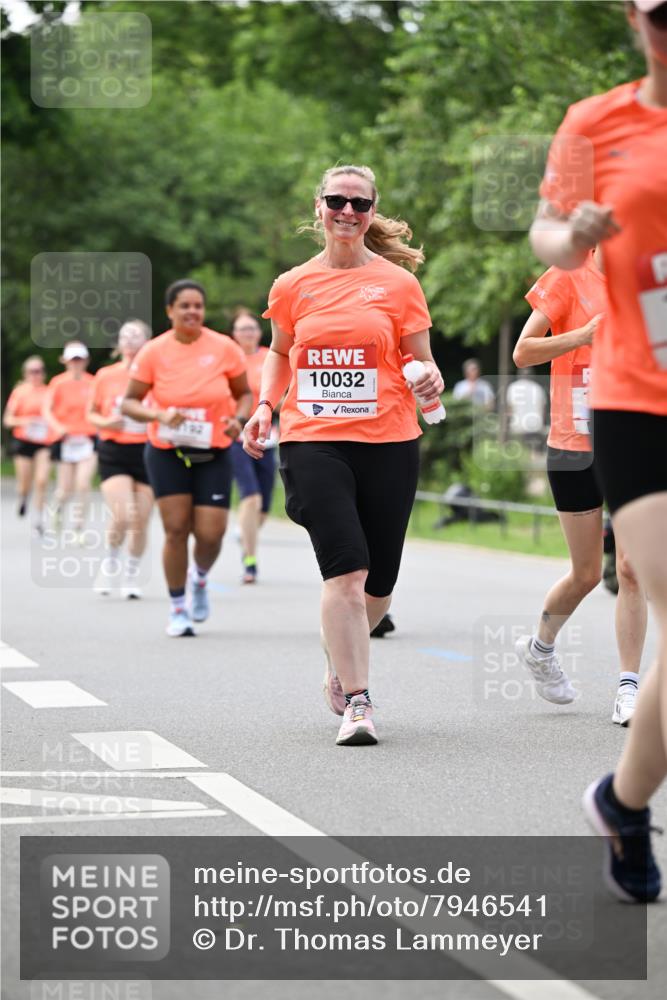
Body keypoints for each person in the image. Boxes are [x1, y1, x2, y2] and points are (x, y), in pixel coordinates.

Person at [530, 0, 667, 902]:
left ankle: (622, 804)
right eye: (662, 16)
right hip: (637, 398)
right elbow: (542, 231)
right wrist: (571, 234)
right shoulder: (597, 121)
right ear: (632, 18)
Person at [243, 163, 444, 747]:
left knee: (378, 586)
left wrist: (428, 380)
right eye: (338, 201)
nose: (348, 212)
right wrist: (263, 405)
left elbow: (422, 362)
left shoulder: (400, 286)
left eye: (360, 204)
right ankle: (359, 701)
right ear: (320, 207)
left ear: (373, 211)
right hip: (313, 438)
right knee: (347, 573)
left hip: (390, 439)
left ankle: (339, 659)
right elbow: (280, 353)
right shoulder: (292, 285)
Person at [514, 246, 648, 725]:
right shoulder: (568, 276)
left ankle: (629, 687)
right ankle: (539, 648)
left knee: (631, 569)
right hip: (574, 445)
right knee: (586, 573)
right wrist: (583, 336)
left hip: (634, 439)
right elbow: (522, 352)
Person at [121, 280, 252, 637]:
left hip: (213, 449)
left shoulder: (224, 348)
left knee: (212, 534)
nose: (192, 311)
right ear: (170, 311)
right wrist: (159, 416)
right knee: (176, 530)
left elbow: (244, 394)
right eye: (184, 306)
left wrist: (237, 419)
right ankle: (177, 607)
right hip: (167, 451)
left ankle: (200, 577)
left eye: (198, 305)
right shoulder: (153, 351)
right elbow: (129, 401)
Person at [87, 320, 154, 599]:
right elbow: (91, 413)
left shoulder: (156, 375)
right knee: (124, 514)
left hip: (149, 451)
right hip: (114, 451)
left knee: (141, 520)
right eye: (125, 335)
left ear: (147, 342)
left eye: (136, 335)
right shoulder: (105, 375)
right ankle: (110, 563)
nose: (129, 340)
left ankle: (131, 574)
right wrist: (106, 422)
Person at [229, 309, 277, 584]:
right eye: (242, 329)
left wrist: (269, 408)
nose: (248, 333)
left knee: (264, 507)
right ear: (234, 334)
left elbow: (282, 393)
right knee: (251, 497)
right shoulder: (229, 360)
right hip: (237, 437)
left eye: (252, 328)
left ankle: (245, 532)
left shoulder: (269, 357)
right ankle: (250, 561)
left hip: (267, 436)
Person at [43, 341, 97, 540]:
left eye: (80, 359)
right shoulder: (57, 382)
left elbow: (100, 408)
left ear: (86, 361)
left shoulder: (93, 382)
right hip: (65, 440)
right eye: (73, 360)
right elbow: (47, 410)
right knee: (64, 489)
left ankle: (78, 528)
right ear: (65, 361)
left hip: (87, 439)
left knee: (83, 484)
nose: (76, 363)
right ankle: (57, 509)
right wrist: (58, 427)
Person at [3, 355, 55, 535]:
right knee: (25, 482)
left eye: (39, 371)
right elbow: (7, 420)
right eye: (33, 371)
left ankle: (38, 519)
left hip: (44, 442)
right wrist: (25, 421)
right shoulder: (20, 392)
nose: (36, 375)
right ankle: (23, 496)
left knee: (41, 480)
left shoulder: (49, 392)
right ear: (26, 374)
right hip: (24, 440)